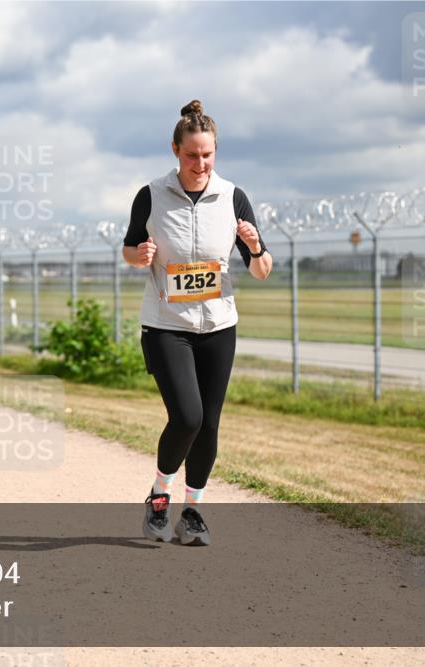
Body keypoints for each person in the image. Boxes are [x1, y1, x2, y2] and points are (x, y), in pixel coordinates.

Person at [122, 100, 273, 546]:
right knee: (186, 417)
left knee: (209, 423)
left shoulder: (233, 198)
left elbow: (261, 270)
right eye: (192, 155)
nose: (200, 164)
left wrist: (256, 244)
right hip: (167, 324)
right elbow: (129, 250)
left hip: (218, 326)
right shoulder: (150, 195)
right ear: (175, 150)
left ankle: (192, 511)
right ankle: (158, 496)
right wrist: (139, 257)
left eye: (208, 155)